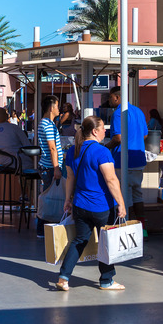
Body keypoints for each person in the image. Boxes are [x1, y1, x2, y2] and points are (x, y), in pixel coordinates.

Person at [55, 116, 127, 292]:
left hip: (80, 205)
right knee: (106, 243)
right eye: (103, 129)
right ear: (95, 131)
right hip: (101, 206)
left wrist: (67, 200)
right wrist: (121, 203)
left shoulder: (72, 151)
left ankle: (63, 278)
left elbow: (70, 177)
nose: (105, 132)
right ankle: (107, 280)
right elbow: (111, 179)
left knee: (79, 240)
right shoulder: (102, 152)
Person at [106, 86, 150, 211]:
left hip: (124, 161)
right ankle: (140, 225)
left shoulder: (118, 113)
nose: (109, 100)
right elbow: (145, 134)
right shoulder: (138, 111)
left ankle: (127, 226)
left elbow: (118, 138)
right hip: (139, 160)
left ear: (117, 97)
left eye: (110, 97)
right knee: (137, 195)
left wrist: (105, 147)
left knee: (124, 196)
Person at [38, 95, 63, 192]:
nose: (59, 109)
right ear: (51, 108)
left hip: (47, 166)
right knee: (49, 197)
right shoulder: (48, 125)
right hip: (50, 167)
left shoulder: (45, 123)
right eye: (57, 106)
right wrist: (56, 168)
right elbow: (52, 148)